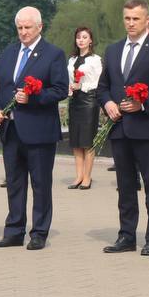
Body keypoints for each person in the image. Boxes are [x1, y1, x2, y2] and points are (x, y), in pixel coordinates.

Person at [97, 0, 149, 256]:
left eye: (136, 18)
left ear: (147, 20)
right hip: (120, 128)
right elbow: (103, 86)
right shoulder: (112, 50)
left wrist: (144, 105)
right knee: (124, 185)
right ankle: (126, 235)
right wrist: (108, 103)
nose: (131, 23)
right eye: (127, 18)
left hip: (146, 128)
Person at [0, 6, 68, 250]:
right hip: (10, 130)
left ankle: (39, 232)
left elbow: (60, 90)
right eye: (20, 27)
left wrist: (33, 97)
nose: (23, 32)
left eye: (28, 27)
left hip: (39, 130)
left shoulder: (53, 54)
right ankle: (14, 230)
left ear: (39, 27)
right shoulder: (8, 53)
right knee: (14, 182)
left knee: (40, 183)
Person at [66, 27, 102, 189]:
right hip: (74, 101)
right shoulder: (72, 59)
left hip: (89, 101)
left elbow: (99, 82)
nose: (81, 40)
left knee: (87, 141)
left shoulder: (95, 59)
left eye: (84, 37)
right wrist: (69, 87)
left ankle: (87, 177)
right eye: (78, 37)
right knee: (76, 141)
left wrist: (82, 86)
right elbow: (68, 79)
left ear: (90, 40)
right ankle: (79, 175)